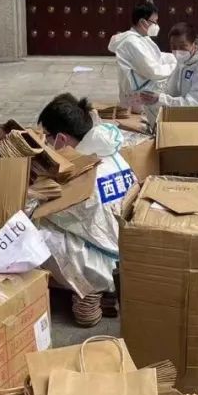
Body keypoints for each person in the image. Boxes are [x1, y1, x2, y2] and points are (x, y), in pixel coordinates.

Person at [36, 93, 137, 322]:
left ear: (61, 139)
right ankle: (108, 293)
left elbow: (54, 212)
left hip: (103, 261)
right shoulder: (111, 153)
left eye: (46, 137)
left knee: (36, 232)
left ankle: (88, 293)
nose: (45, 144)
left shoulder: (81, 172)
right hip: (128, 256)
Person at [138, 22, 198, 117]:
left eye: (182, 46)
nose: (178, 51)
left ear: (195, 44)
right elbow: (171, 90)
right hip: (193, 110)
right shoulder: (184, 61)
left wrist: (161, 99)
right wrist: (154, 96)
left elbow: (194, 105)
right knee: (152, 105)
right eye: (173, 47)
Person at [108, 2, 175, 112]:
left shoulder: (142, 37)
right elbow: (153, 71)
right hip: (139, 97)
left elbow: (157, 56)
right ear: (143, 22)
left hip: (145, 88)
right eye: (154, 22)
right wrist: (174, 67)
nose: (156, 26)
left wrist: (175, 58)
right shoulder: (131, 42)